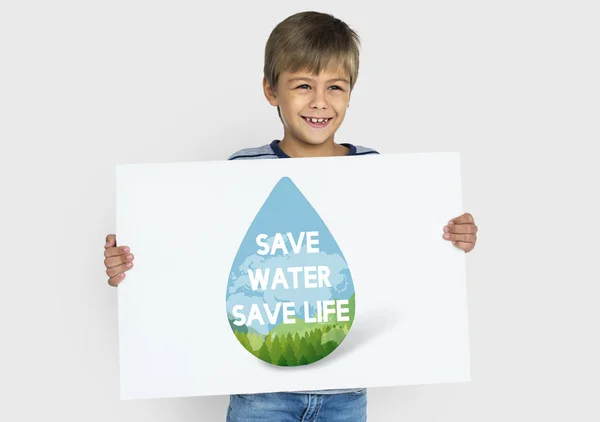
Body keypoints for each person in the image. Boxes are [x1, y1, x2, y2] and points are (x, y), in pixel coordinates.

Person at [103, 10, 478, 422]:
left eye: (335, 87)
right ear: (271, 90)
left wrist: (450, 237)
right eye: (303, 86)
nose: (320, 101)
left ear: (351, 94)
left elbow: (397, 256)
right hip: (261, 396)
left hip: (347, 395)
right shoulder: (240, 172)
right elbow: (204, 262)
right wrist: (137, 266)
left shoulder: (375, 171)